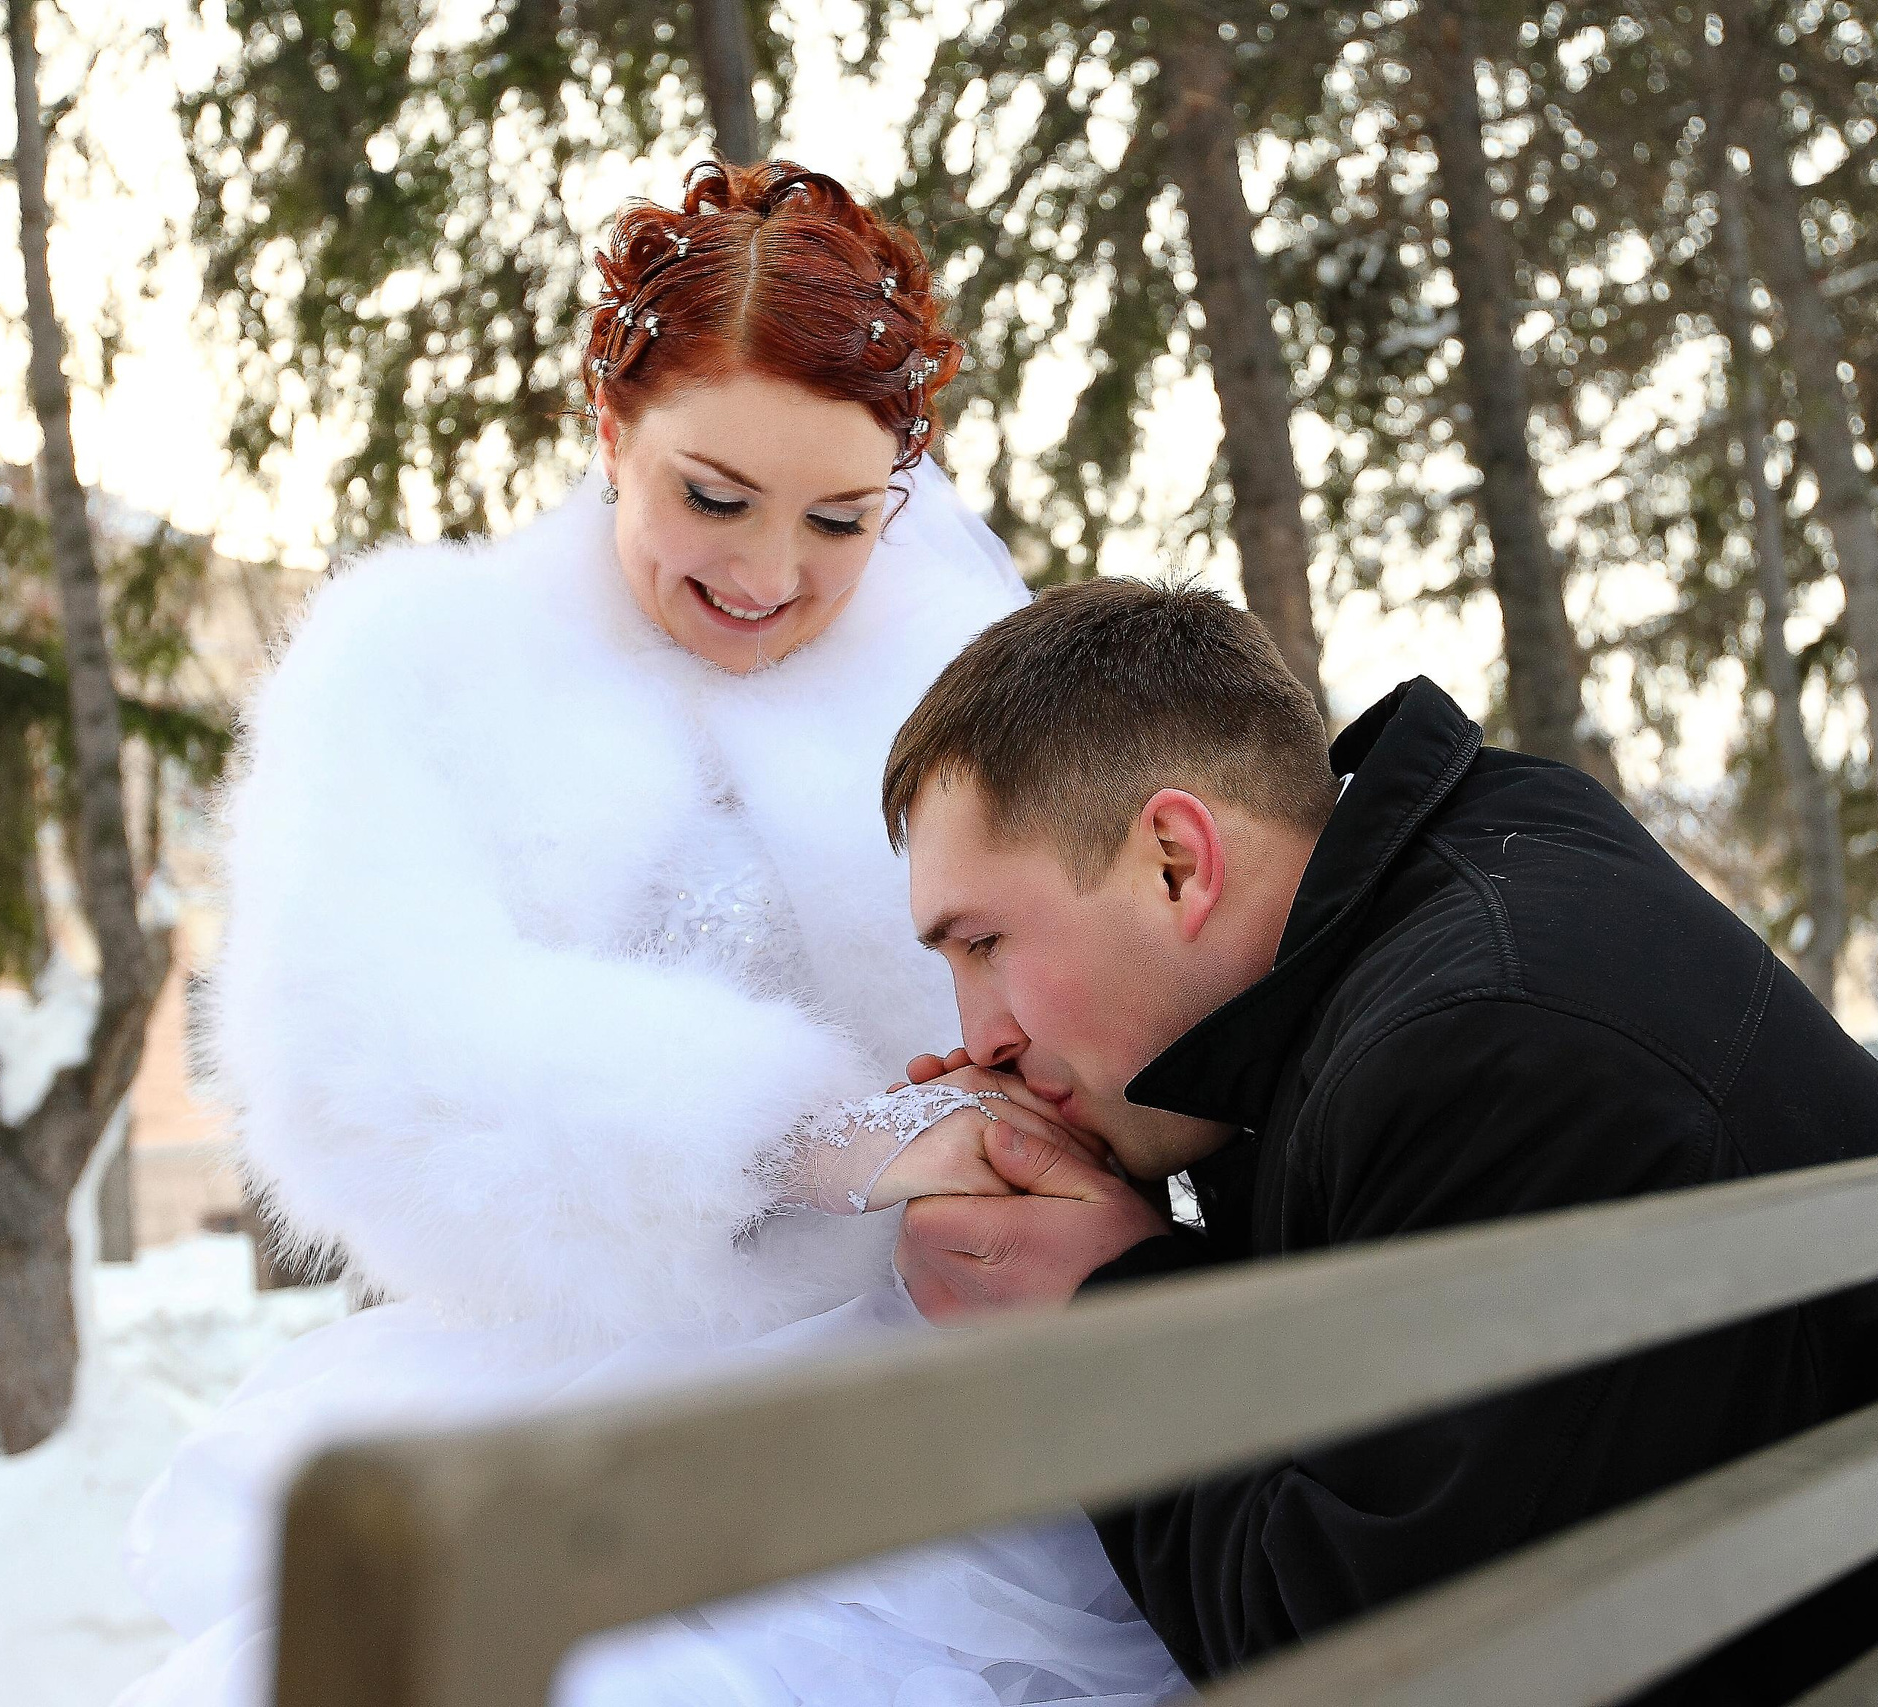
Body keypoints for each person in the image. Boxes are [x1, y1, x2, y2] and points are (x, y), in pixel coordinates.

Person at [116, 162, 1186, 1707]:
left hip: (909, 1398)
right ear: (613, 430)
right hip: (546, 1395)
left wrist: (1038, 1122)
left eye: (841, 518)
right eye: (711, 495)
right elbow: (359, 1051)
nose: (767, 574)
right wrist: (821, 1135)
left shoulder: (979, 687)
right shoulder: (419, 661)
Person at [878, 577, 1878, 1706]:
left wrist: (1107, 1320)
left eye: (982, 945)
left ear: (1176, 862)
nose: (975, 1038)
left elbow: (1366, 1667)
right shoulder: (1474, 897)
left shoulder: (1489, 1056)